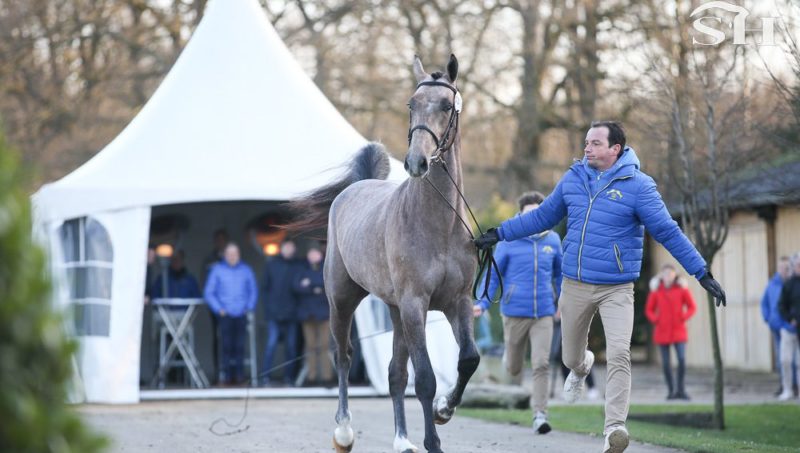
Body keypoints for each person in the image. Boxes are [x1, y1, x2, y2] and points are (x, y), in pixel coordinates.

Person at [474, 121, 726, 453]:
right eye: (586, 142)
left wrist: (701, 270)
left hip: (617, 288)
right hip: (575, 285)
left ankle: (615, 429)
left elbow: (667, 230)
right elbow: (542, 217)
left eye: (594, 143)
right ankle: (582, 367)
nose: (586, 148)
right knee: (570, 357)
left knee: (621, 353)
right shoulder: (573, 179)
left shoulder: (639, 186)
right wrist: (500, 232)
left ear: (614, 149)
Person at [474, 191, 562, 434]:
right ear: (520, 215)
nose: (532, 220)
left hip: (544, 312)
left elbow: (560, 275)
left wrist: (562, 302)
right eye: (527, 215)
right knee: (513, 368)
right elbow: (493, 275)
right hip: (514, 313)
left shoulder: (553, 240)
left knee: (541, 363)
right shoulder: (508, 241)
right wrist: (481, 303)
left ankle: (540, 415)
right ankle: (510, 360)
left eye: (537, 215)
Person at [204, 243, 258, 386]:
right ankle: (227, 376)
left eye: (235, 254)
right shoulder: (217, 270)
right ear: (225, 255)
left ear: (238, 254)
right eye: (229, 254)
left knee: (240, 346)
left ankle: (240, 376)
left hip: (241, 312)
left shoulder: (246, 270)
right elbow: (209, 292)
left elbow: (253, 290)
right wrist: (219, 309)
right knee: (226, 346)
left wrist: (249, 307)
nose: (232, 256)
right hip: (225, 314)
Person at [645, 264, 697, 400]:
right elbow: (649, 310)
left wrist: (683, 317)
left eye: (670, 273)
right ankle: (671, 391)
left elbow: (692, 307)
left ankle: (681, 390)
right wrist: (656, 320)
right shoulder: (656, 291)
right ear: (661, 275)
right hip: (662, 332)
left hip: (679, 331)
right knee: (666, 363)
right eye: (665, 273)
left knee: (681, 360)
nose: (668, 276)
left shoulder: (682, 290)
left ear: (675, 275)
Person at [261, 240, 302, 386]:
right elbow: (264, 289)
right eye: (286, 247)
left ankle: (289, 378)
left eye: (291, 247)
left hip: (292, 314)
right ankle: (265, 378)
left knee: (291, 347)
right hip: (274, 313)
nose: (288, 250)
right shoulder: (272, 264)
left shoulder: (299, 266)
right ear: (281, 248)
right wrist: (268, 309)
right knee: (271, 345)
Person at [293, 246, 334, 386]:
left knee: (324, 346)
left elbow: (328, 285)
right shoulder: (302, 268)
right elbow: (296, 286)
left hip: (324, 314)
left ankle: (327, 378)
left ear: (320, 255)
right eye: (310, 253)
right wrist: (315, 288)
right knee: (310, 346)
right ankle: (311, 377)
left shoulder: (327, 267)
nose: (312, 256)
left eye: (315, 253)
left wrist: (309, 285)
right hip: (307, 314)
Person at [761, 256, 797, 398]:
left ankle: (793, 385)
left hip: (788, 327)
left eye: (787, 268)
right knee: (781, 359)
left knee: (791, 359)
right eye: (782, 267)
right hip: (775, 326)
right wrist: (767, 318)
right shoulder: (772, 284)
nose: (784, 270)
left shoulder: (791, 284)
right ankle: (784, 385)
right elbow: (764, 303)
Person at [778, 253, 800, 401]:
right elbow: (781, 305)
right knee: (785, 360)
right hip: (789, 328)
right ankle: (787, 390)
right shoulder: (789, 284)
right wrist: (789, 319)